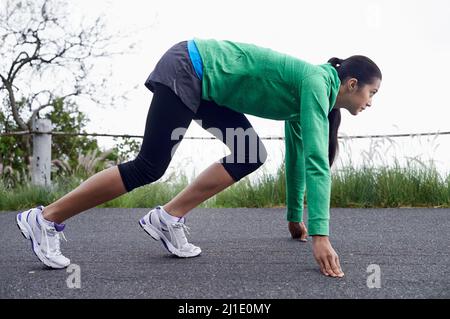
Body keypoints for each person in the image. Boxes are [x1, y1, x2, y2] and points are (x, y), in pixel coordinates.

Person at [16, 38, 382, 278]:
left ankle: (166, 217)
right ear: (352, 84)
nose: (370, 102)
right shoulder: (317, 84)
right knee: (149, 165)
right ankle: (45, 219)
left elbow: (301, 156)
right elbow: (319, 163)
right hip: (190, 67)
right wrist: (321, 235)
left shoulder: (314, 94)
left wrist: (294, 219)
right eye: (371, 92)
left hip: (210, 88)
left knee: (251, 153)